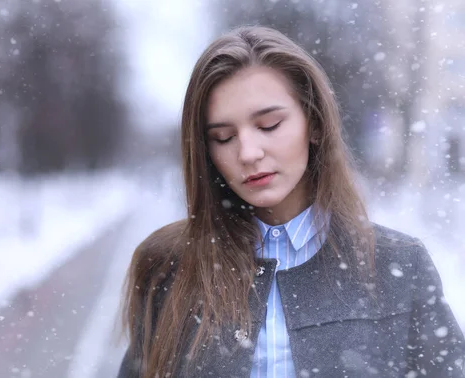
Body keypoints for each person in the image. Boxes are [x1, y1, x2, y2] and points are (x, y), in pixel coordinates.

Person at [117, 26, 465, 378]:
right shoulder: (169, 265)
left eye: (269, 125)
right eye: (223, 138)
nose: (248, 153)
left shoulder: (398, 264)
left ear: (313, 124)